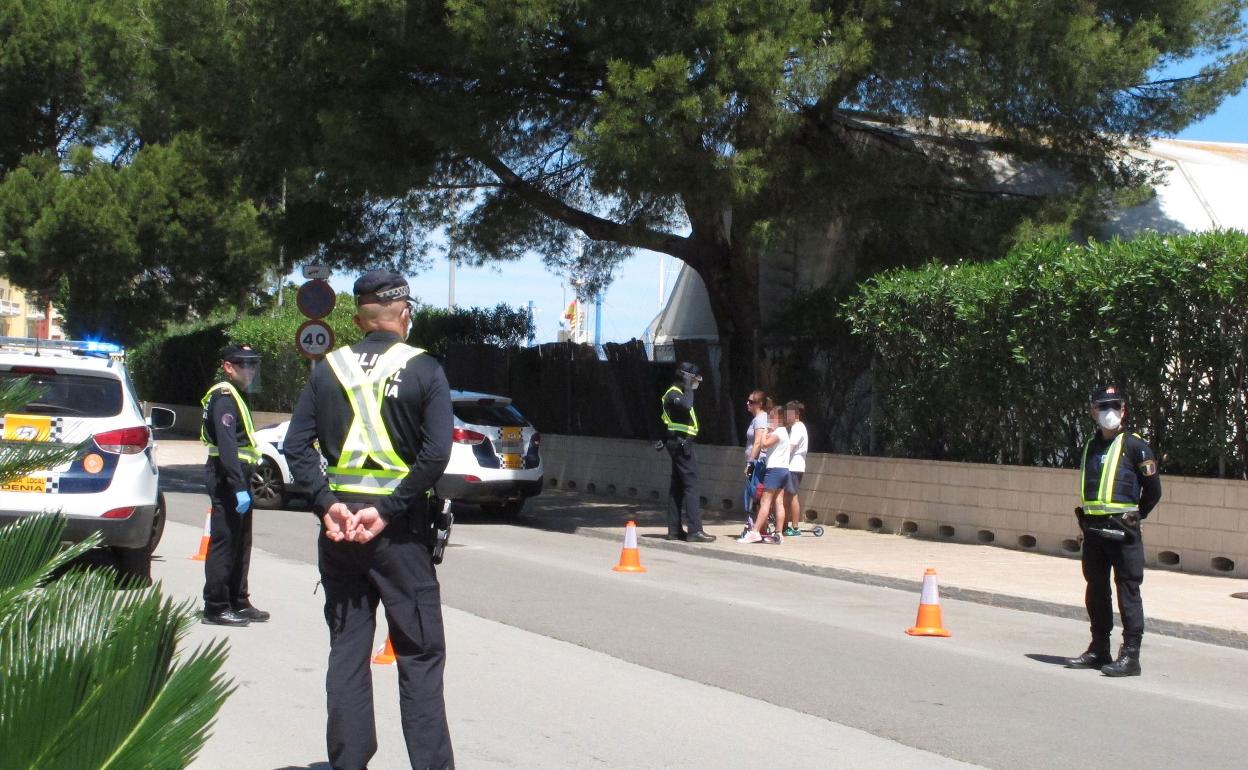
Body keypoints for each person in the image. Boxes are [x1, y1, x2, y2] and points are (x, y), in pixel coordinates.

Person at [285, 270, 455, 770]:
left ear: (359, 319)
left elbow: (296, 447)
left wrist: (326, 503)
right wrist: (388, 509)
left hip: (340, 532)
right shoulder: (425, 369)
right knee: (420, 655)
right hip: (400, 535)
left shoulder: (326, 369)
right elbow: (436, 455)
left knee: (348, 649)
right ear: (404, 315)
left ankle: (348, 762)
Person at [1064, 384, 1162, 677]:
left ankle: (1130, 656)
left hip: (1123, 529)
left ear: (1123, 411)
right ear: (1093, 411)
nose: (1109, 413)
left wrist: (1136, 515)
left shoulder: (1135, 445)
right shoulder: (1091, 445)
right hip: (1093, 529)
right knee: (1096, 590)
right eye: (1103, 407)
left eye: (1115, 407)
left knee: (1128, 590)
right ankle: (1098, 649)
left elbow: (1154, 490)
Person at [200, 343, 268, 627]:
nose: (250, 370)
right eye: (244, 364)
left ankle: (238, 600)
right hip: (228, 476)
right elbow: (227, 447)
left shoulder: (237, 396)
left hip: (240, 476)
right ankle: (216, 606)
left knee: (241, 541)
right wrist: (238, 485)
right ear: (228, 366)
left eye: (254, 364)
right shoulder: (225, 398)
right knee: (224, 542)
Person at [660, 362, 716, 542]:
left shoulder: (677, 393)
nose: (695, 383)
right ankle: (694, 531)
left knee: (677, 487)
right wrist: (688, 386)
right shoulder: (675, 394)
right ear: (685, 377)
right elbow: (686, 405)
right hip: (680, 444)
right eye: (693, 379)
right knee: (692, 486)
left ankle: (674, 530)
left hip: (679, 443)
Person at [738, 406, 790, 544]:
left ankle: (755, 531)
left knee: (764, 502)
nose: (770, 420)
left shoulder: (778, 432)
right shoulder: (784, 432)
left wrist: (765, 431)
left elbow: (764, 445)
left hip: (774, 470)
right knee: (778, 501)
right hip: (784, 470)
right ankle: (778, 533)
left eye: (772, 417)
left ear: (779, 418)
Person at [741, 390, 772, 512]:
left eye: (751, 401)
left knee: (757, 493)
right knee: (756, 494)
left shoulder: (760, 419)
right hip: (756, 461)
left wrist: (750, 463)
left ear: (759, 404)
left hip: (758, 462)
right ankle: (759, 526)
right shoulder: (758, 418)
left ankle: (760, 527)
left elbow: (758, 442)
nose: (747, 403)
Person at [781, 401, 808, 537]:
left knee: (792, 496)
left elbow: (790, 448)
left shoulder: (798, 427)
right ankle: (785, 524)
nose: (786, 416)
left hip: (794, 466)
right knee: (788, 496)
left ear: (796, 414)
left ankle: (795, 527)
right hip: (793, 466)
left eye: (788, 414)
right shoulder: (796, 428)